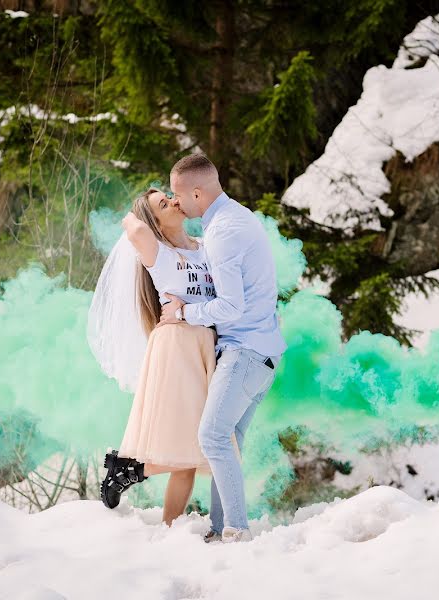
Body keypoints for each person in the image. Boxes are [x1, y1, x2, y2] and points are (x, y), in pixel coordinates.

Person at [159, 154, 286, 543]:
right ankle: (221, 528)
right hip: (261, 352)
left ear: (198, 192)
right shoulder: (235, 218)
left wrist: (182, 313)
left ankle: (236, 530)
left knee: (213, 437)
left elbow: (231, 306)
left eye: (179, 196)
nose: (176, 203)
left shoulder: (224, 232)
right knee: (227, 440)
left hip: (245, 352)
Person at [97, 186, 220, 526]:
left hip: (205, 345)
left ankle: (165, 524)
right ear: (154, 222)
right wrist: (142, 207)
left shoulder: (204, 247)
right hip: (176, 347)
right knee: (188, 447)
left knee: (194, 450)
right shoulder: (156, 252)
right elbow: (135, 228)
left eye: (169, 196)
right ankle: (134, 472)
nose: (172, 201)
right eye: (163, 204)